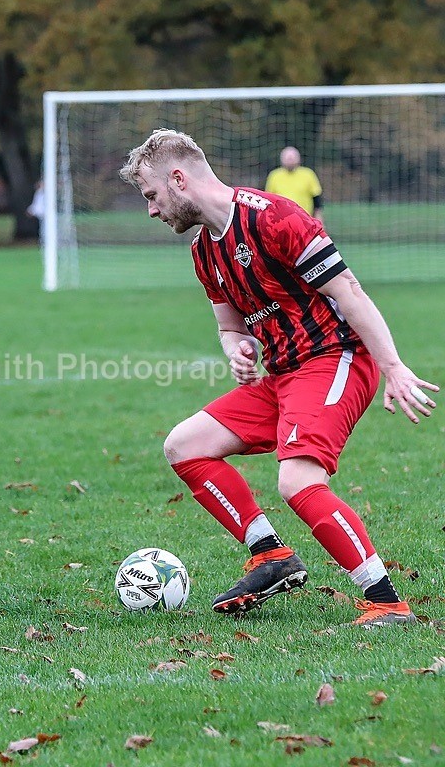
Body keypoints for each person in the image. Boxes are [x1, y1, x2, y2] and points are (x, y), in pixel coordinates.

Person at [120, 129, 438, 628]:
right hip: (284, 373)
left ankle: (385, 602)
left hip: (337, 358)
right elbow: (228, 326)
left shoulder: (275, 218)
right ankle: (270, 555)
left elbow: (349, 291)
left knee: (297, 480)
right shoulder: (204, 251)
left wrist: (394, 366)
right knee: (184, 445)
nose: (152, 210)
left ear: (178, 179)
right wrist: (237, 349)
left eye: (152, 196)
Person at [265, 146, 324, 222]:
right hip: (281, 220)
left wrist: (319, 218)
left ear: (298, 158)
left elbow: (316, 198)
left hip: (304, 219)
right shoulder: (274, 175)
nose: (290, 160)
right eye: (287, 158)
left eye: (292, 157)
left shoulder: (308, 174)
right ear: (281, 159)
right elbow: (269, 200)